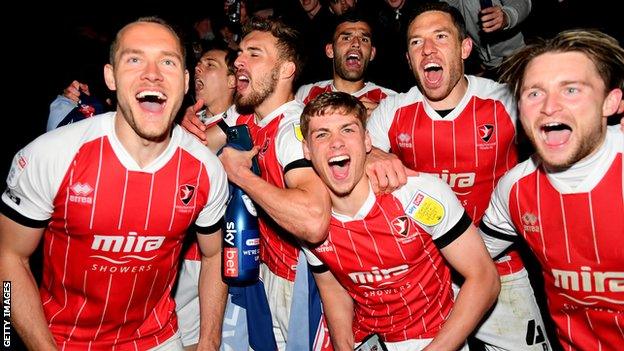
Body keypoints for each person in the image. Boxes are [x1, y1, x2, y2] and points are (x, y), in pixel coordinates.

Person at [0, 17, 229, 350]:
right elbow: (8, 258)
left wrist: (209, 341)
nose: (152, 73)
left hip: (157, 338)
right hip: (63, 340)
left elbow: (214, 255)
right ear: (110, 76)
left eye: (167, 61)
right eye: (134, 59)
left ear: (183, 81)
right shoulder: (51, 155)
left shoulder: (205, 169)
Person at [366, 3, 551, 350]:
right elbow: (351, 158)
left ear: (465, 48)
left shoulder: (505, 102)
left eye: (440, 37)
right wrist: (370, 154)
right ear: (408, 59)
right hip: (426, 275)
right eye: (417, 43)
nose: (429, 50)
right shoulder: (391, 112)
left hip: (501, 266)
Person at [300, 91, 500, 350]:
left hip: (434, 338)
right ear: (307, 149)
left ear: (367, 141)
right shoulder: (310, 219)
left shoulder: (416, 195)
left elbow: (485, 278)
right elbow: (334, 291)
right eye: (322, 134)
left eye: (347, 130)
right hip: (370, 341)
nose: (336, 143)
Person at [481, 29, 624, 351]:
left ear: (610, 102)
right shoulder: (514, 189)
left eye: (571, 90)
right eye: (534, 93)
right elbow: (473, 259)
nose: (549, 107)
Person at [194, 17, 332, 350]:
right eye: (240, 53)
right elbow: (194, 149)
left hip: (298, 283)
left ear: (286, 70)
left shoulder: (292, 130)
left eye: (254, 54)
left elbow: (314, 221)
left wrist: (241, 175)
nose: (239, 60)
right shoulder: (244, 115)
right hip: (260, 270)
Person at [172, 44, 238, 351]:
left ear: (232, 80)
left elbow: (188, 158)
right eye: (197, 65)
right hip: (177, 251)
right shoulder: (186, 120)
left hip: (216, 258)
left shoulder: (241, 121)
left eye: (210, 65)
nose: (199, 69)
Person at [295, 11, 396, 117]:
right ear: (330, 50)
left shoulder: (389, 102)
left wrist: (382, 121)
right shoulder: (306, 95)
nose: (356, 43)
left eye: (364, 39)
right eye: (346, 38)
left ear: (372, 53)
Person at [443, 0, 532, 78]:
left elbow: (521, 3)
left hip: (516, 56)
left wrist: (507, 16)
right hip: (486, 63)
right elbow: (450, 12)